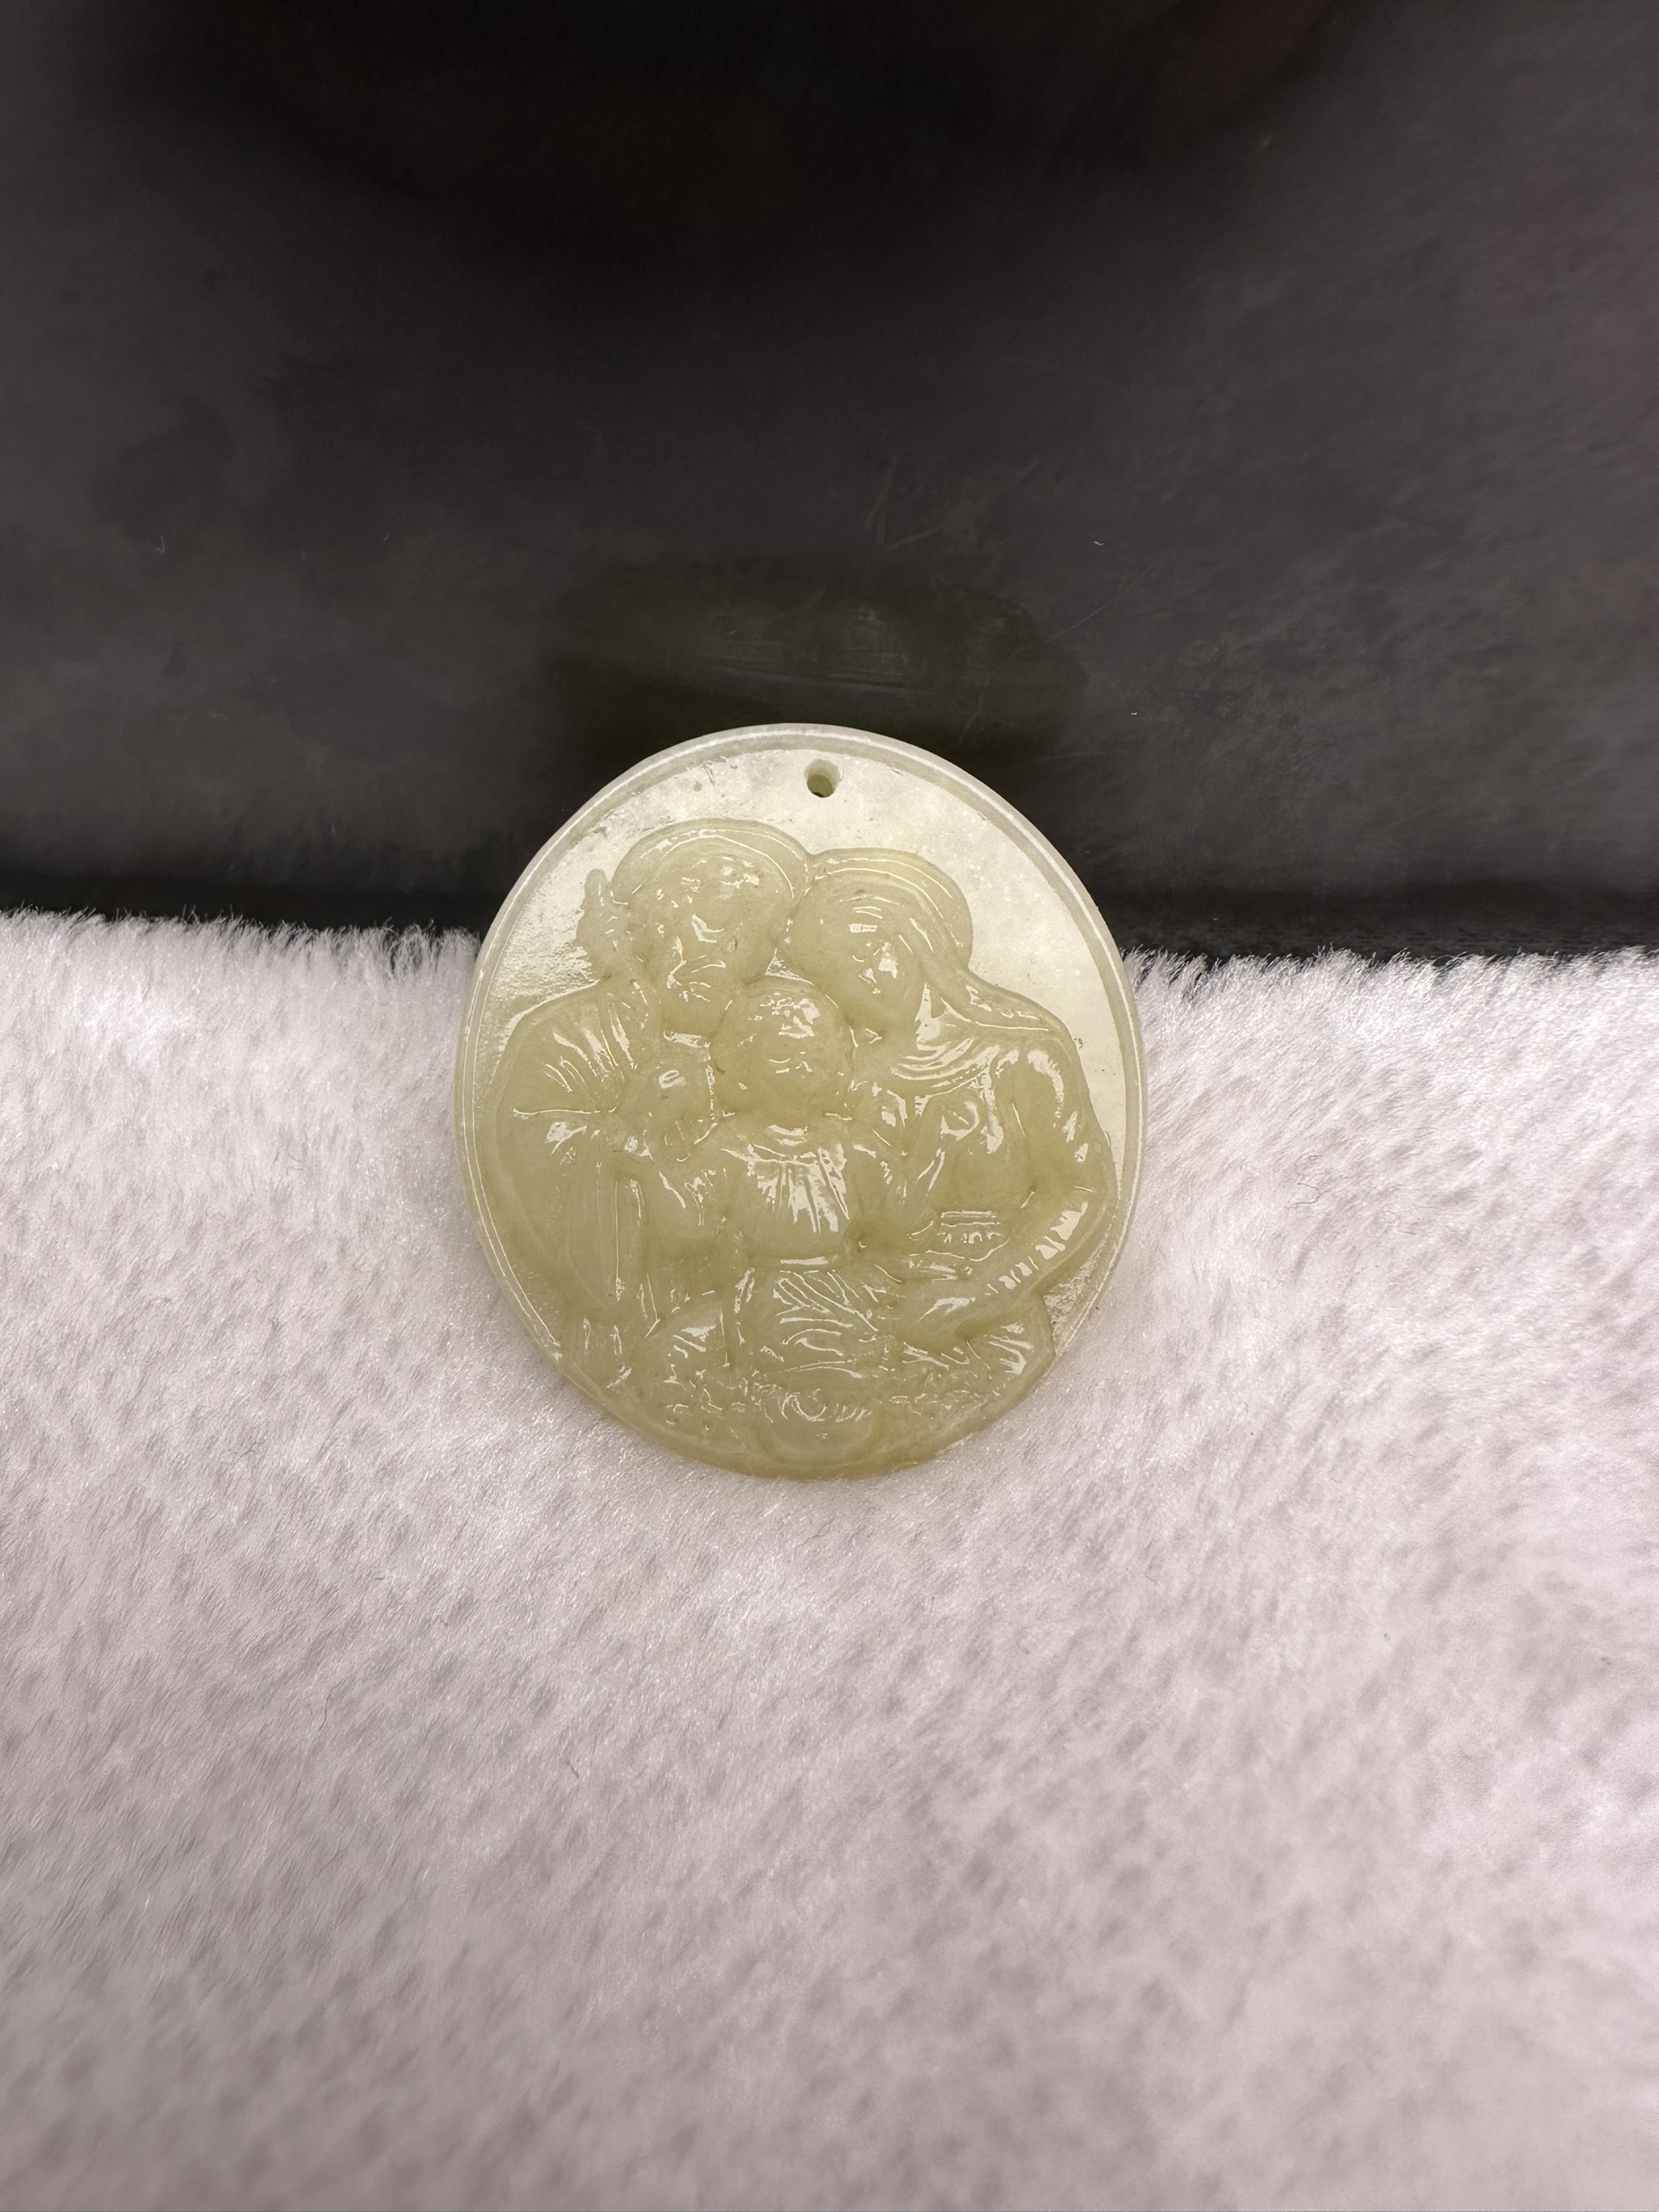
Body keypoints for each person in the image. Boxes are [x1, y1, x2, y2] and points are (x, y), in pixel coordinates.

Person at [785, 847, 1115, 1439]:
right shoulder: (847, 1077)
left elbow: (1081, 1190)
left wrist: (981, 1294)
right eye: (832, 974)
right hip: (866, 1300)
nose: (855, 982)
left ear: (917, 937)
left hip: (991, 1306)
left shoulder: (1022, 1055)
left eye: (864, 953)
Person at [483, 819, 810, 1389]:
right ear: (658, 919)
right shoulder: (567, 1036)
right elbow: (524, 1151)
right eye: (717, 917)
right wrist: (632, 1125)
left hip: (760, 1329)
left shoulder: (769, 1046)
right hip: (628, 1334)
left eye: (754, 935)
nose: (729, 950)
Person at [608, 979, 942, 1471]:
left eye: (815, 1054)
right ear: (743, 1064)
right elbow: (689, 1223)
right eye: (782, 1054)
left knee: (871, 1365)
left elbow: (905, 1213)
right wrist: (650, 1165)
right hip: (754, 1296)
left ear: (835, 1064)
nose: (802, 1067)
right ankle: (725, 1415)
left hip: (843, 1293)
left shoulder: (849, 1146)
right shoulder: (732, 1145)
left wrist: (935, 1150)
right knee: (666, 1357)